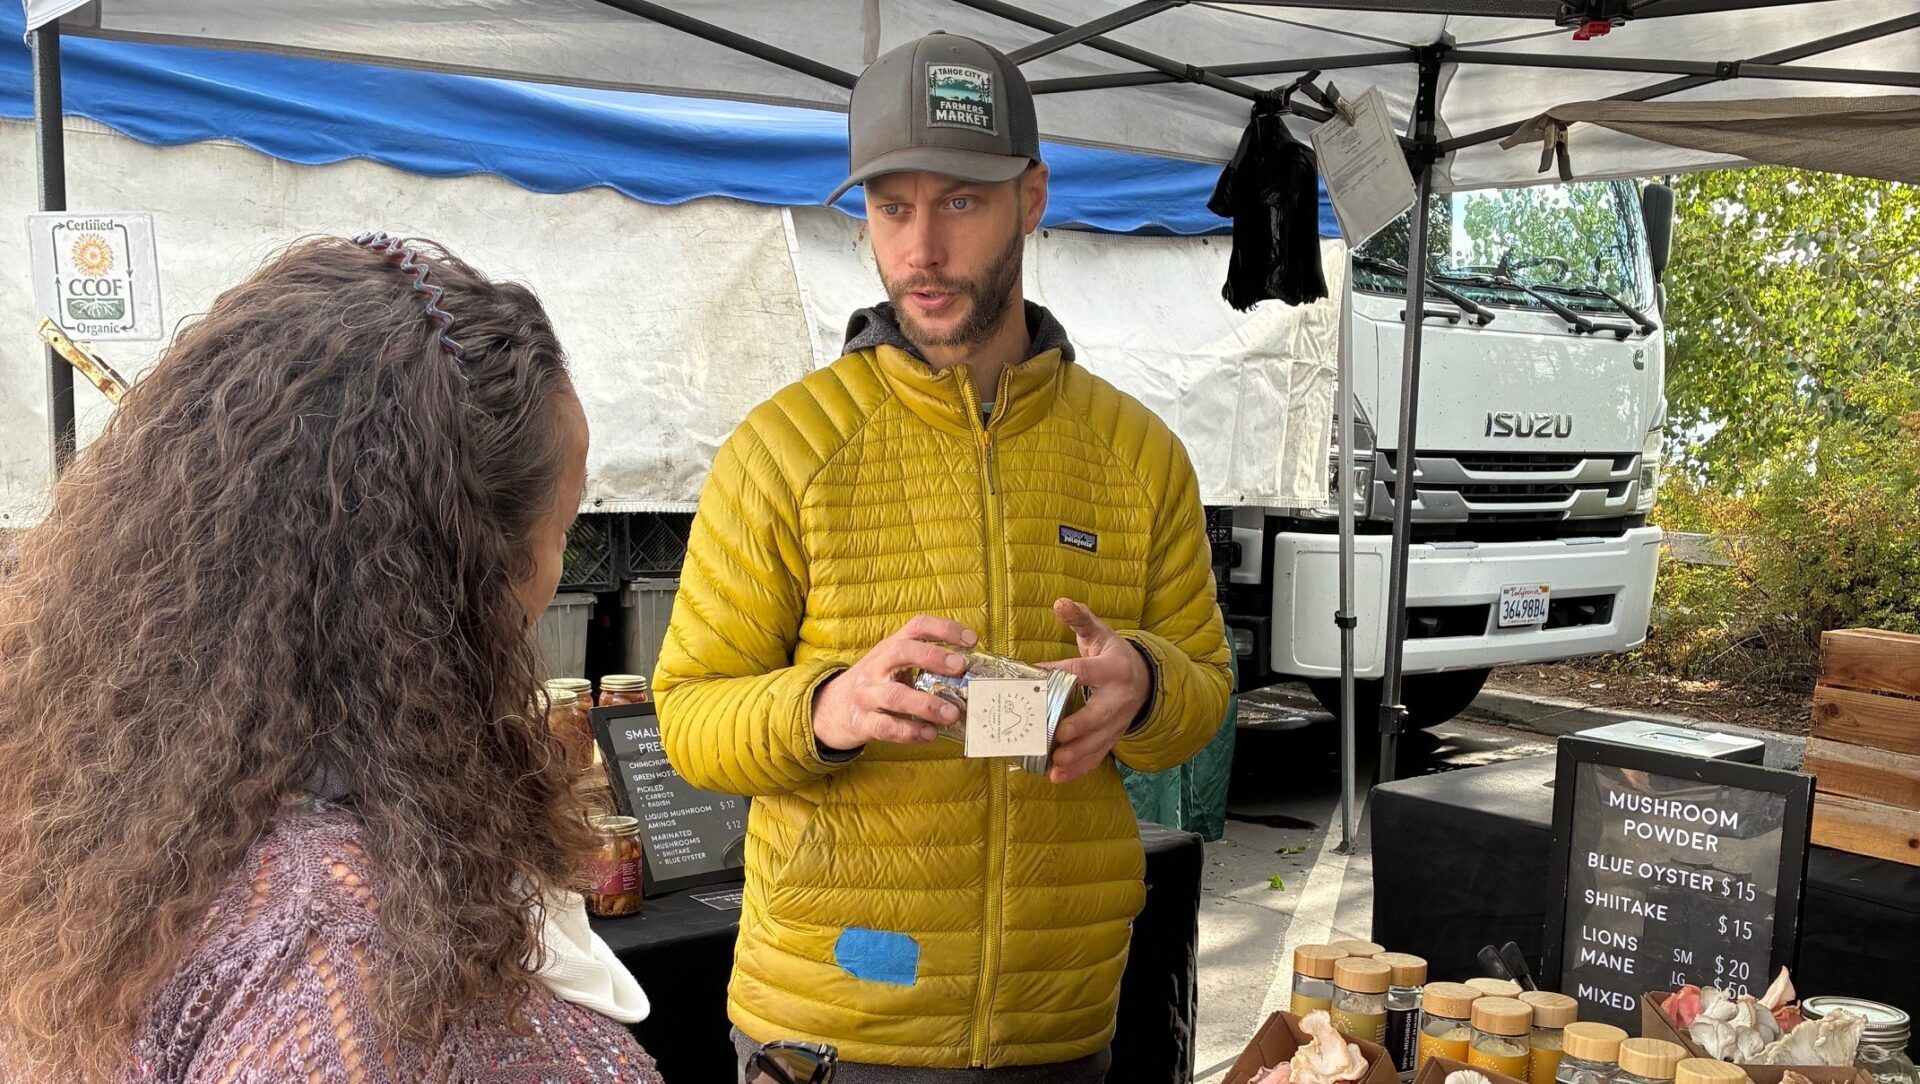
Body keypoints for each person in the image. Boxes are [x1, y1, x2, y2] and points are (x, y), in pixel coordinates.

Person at [654, 33, 1232, 1083]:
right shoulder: (781, 450)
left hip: (1059, 1025)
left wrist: (1147, 684)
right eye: (890, 206)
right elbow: (689, 714)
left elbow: (1202, 694)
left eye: (960, 201)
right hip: (834, 1024)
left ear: (1033, 196)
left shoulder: (1141, 455)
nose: (920, 248)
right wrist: (823, 708)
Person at [0, 235, 662, 1084]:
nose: (560, 569)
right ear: (457, 572)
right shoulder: (350, 963)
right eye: (565, 527)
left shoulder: (114, 815)